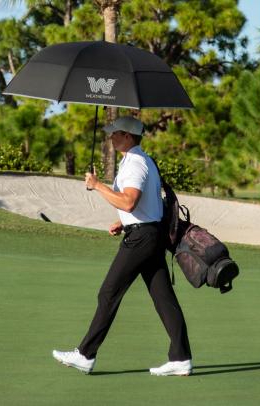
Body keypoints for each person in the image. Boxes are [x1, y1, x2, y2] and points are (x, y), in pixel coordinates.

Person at [52, 116, 192, 376]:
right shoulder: (142, 160)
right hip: (148, 234)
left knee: (108, 293)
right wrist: (123, 222)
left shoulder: (135, 164)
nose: (110, 137)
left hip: (141, 239)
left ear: (128, 136)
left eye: (114, 133)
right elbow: (144, 205)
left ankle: (85, 354)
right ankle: (181, 358)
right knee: (164, 299)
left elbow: (129, 201)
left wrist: (97, 186)